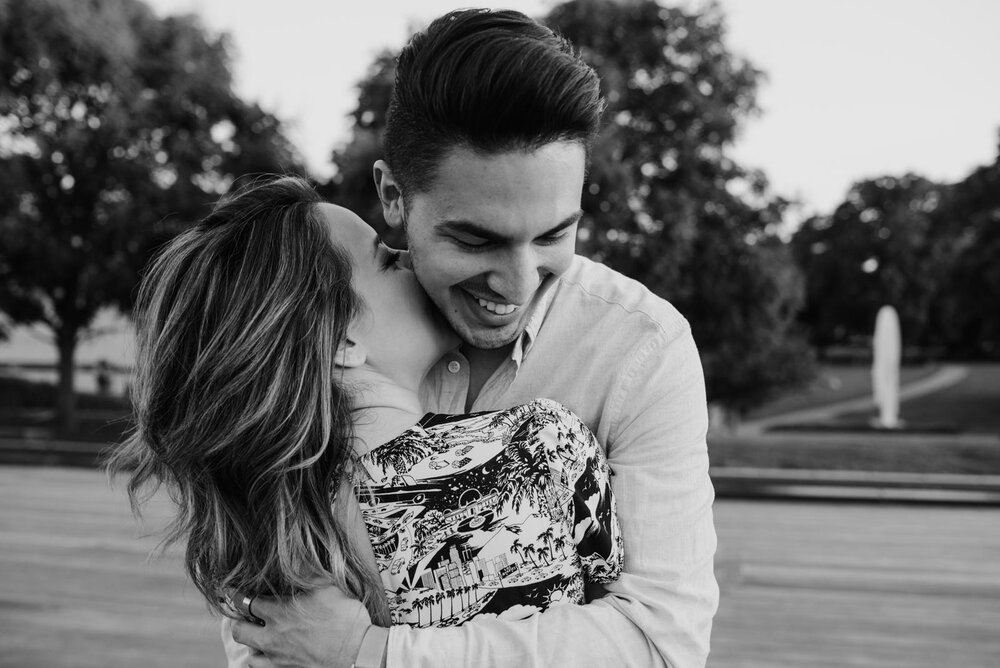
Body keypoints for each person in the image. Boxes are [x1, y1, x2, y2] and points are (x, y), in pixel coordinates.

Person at [229, 7, 719, 668]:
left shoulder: (640, 348)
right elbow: (271, 639)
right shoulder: (302, 342)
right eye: (476, 239)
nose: (518, 284)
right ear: (394, 196)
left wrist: (375, 653)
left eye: (553, 235)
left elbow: (661, 643)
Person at [106, 175, 624, 665]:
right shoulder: (543, 446)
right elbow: (630, 644)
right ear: (343, 340)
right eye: (384, 261)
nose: (409, 260)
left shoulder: (264, 542)